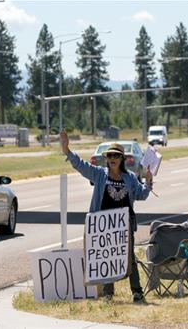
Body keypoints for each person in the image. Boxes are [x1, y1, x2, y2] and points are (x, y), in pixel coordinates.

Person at [60, 130, 153, 303]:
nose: (112, 158)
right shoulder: (99, 174)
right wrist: (67, 150)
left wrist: (148, 182)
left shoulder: (130, 178)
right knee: (108, 257)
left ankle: (137, 292)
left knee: (129, 259)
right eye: (110, 155)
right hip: (103, 225)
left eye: (116, 156)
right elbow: (81, 165)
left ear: (122, 159)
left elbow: (141, 195)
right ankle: (109, 293)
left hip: (124, 226)